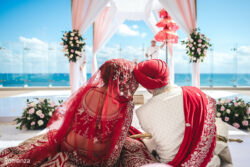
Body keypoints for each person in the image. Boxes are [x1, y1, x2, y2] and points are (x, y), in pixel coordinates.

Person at [0, 59, 143, 166]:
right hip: (96, 158)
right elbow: (116, 146)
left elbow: (71, 122)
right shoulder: (126, 105)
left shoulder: (87, 91)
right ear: (124, 78)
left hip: (68, 147)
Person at [132, 59, 217, 167]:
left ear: (146, 86)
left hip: (170, 163)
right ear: (167, 74)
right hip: (207, 160)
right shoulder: (197, 94)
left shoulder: (142, 112)